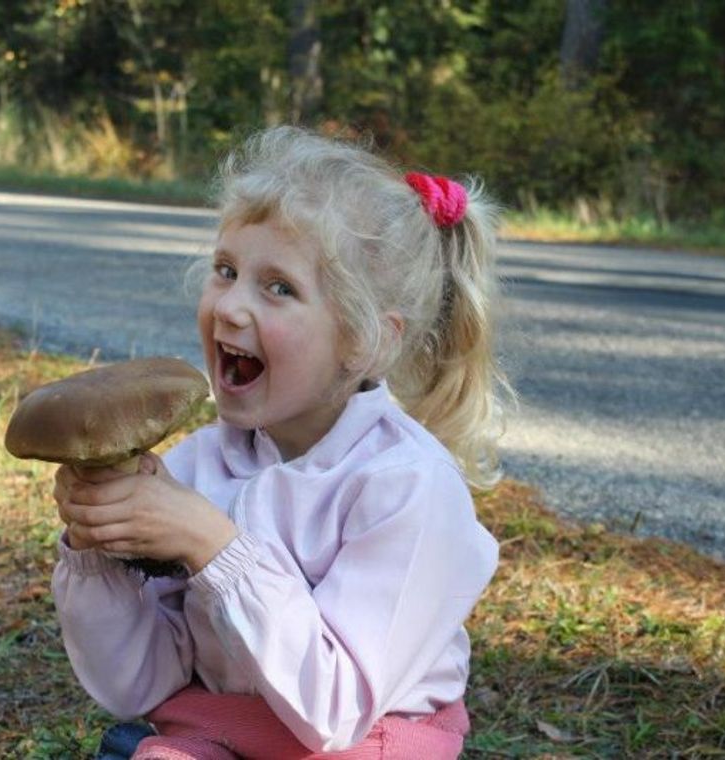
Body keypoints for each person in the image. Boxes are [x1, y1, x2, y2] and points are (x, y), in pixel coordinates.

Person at [51, 126, 510, 759]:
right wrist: (96, 552)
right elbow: (136, 684)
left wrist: (210, 545)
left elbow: (336, 710)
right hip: (218, 730)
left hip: (366, 744)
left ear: (367, 340)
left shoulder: (407, 486)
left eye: (279, 287)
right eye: (226, 270)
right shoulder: (194, 468)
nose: (231, 307)